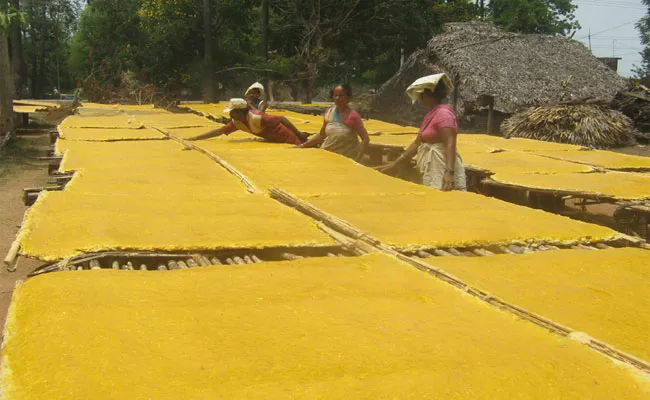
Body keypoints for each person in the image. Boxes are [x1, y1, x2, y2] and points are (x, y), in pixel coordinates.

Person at [375, 73, 466, 191]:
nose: (420, 98)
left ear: (430, 94)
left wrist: (449, 172)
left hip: (441, 164)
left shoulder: (444, 114)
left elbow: (450, 142)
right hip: (434, 165)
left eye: (422, 95)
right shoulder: (432, 114)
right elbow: (417, 143)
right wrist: (396, 163)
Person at [298, 84, 369, 161]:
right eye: (335, 95)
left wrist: (357, 160)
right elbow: (322, 134)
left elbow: (365, 139)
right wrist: (302, 145)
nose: (337, 98)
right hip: (328, 154)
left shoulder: (353, 116)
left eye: (341, 96)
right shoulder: (329, 112)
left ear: (348, 97)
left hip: (347, 157)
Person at [187, 98, 304, 144]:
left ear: (238, 112)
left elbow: (282, 119)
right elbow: (219, 131)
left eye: (231, 112)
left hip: (290, 139)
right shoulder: (238, 123)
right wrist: (196, 138)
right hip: (277, 141)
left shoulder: (257, 117)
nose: (230, 114)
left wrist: (298, 133)